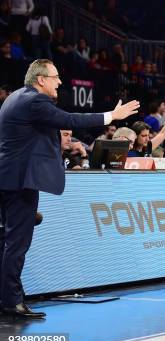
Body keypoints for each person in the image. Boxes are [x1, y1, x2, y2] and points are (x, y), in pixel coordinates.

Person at [0, 59, 139, 318]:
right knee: (17, 244)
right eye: (56, 77)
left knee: (8, 243)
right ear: (41, 79)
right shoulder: (35, 101)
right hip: (20, 181)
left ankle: (8, 298)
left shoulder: (16, 97)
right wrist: (112, 116)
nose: (60, 82)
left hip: (9, 178)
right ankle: (10, 302)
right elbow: (68, 119)